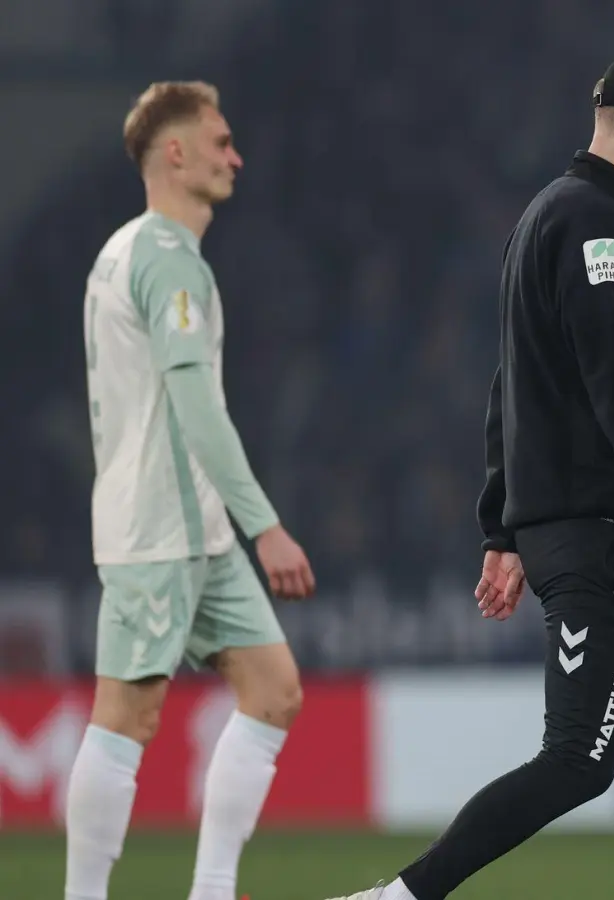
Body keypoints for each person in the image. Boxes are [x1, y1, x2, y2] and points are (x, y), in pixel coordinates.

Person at [324, 49, 614, 900]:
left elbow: (511, 379)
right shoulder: (595, 228)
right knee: (581, 761)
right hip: (596, 534)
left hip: (600, 530)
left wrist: (502, 527)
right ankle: (398, 898)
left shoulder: (549, 214)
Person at [68, 80, 317, 900]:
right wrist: (268, 526)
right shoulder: (169, 262)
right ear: (174, 153)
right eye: (220, 142)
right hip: (158, 527)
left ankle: (212, 892)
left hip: (196, 526)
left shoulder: (124, 250)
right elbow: (196, 406)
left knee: (273, 689)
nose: (235, 156)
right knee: (126, 716)